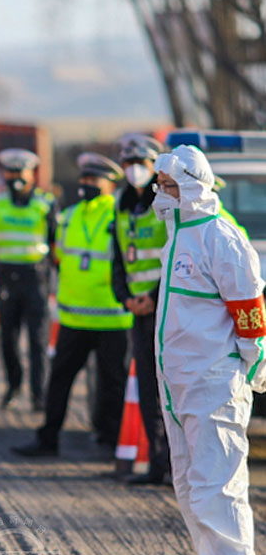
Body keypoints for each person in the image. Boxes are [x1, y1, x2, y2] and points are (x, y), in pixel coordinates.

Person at [152, 145, 265, 555]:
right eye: (160, 184)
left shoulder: (222, 239)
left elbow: (250, 314)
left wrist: (252, 369)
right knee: (193, 490)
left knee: (218, 492)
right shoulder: (178, 234)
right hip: (181, 388)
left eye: (170, 186)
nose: (161, 193)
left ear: (195, 186)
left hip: (214, 385)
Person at [12, 153, 132, 457]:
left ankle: (112, 440)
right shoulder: (70, 215)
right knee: (59, 382)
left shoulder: (120, 215)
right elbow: (60, 257)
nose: (86, 185)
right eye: (84, 179)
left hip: (112, 317)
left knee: (113, 385)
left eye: (94, 180)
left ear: (110, 184)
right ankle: (47, 439)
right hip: (74, 316)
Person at [0, 148, 56, 410]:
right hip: (6, 280)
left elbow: (57, 246)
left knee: (37, 341)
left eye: (21, 171)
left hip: (36, 280)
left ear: (32, 174)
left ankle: (38, 395)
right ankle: (13, 384)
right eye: (11, 171)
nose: (16, 176)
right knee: (8, 339)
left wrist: (60, 281)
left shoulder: (46, 204)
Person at [110, 133, 171, 485]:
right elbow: (118, 259)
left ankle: (177, 468)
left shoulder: (163, 203)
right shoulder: (120, 207)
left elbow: (173, 254)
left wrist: (152, 295)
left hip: (165, 309)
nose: (134, 170)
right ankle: (157, 465)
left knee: (171, 390)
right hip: (138, 312)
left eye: (142, 164)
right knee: (148, 391)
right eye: (129, 164)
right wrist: (126, 298)